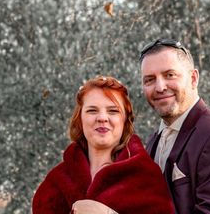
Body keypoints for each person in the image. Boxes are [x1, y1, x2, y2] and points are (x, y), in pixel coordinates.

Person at [32, 76, 174, 214]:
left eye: (113, 111)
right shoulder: (58, 180)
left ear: (125, 121)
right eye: (92, 110)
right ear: (80, 119)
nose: (102, 118)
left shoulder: (146, 177)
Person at [140, 38, 210, 213]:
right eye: (150, 80)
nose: (160, 87)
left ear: (193, 78)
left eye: (170, 75)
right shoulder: (154, 140)